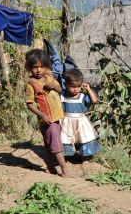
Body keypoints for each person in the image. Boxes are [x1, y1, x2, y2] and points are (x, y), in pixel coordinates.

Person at [25, 47, 69, 177]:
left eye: (42, 66)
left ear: (47, 66)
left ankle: (50, 167)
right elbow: (30, 103)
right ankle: (65, 170)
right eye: (35, 67)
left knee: (50, 144)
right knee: (56, 145)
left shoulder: (49, 77)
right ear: (29, 67)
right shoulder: (31, 84)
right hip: (48, 119)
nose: (39, 70)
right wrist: (42, 115)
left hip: (56, 117)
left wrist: (55, 87)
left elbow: (61, 90)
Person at [59, 68, 101, 161]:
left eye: (78, 86)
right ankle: (67, 156)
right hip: (66, 121)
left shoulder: (82, 97)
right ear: (66, 85)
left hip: (81, 122)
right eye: (72, 86)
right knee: (66, 138)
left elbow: (94, 101)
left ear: (81, 85)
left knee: (84, 137)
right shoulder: (62, 95)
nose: (75, 89)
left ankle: (84, 157)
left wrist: (88, 89)